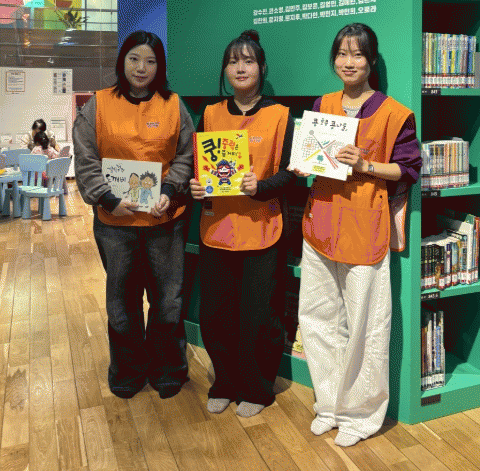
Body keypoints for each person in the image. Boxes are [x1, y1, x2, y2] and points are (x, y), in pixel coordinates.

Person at [293, 23, 422, 447]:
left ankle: (361, 415)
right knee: (317, 318)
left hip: (365, 226)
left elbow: (408, 169)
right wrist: (303, 163)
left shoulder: (394, 113)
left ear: (372, 60)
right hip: (320, 223)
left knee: (367, 326)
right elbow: (313, 160)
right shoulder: (323, 104)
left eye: (358, 54)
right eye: (342, 54)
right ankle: (329, 405)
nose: (348, 62)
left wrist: (365, 165)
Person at [73, 30, 194, 400]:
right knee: (122, 302)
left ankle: (167, 368)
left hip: (164, 222)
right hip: (116, 225)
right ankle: (127, 370)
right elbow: (85, 157)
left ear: (160, 66)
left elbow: (186, 155)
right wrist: (108, 199)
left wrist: (169, 190)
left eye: (151, 61)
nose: (142, 68)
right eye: (134, 59)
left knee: (168, 300)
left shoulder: (174, 105)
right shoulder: (98, 104)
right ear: (122, 61)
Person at [190, 30, 295, 418]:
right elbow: (199, 168)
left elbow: (293, 173)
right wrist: (196, 187)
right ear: (225, 70)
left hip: (262, 229)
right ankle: (225, 382)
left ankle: (257, 388)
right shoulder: (210, 114)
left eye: (248, 61)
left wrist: (261, 187)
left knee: (259, 317)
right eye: (233, 61)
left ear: (262, 68)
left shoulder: (281, 115)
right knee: (217, 315)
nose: (240, 67)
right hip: (217, 229)